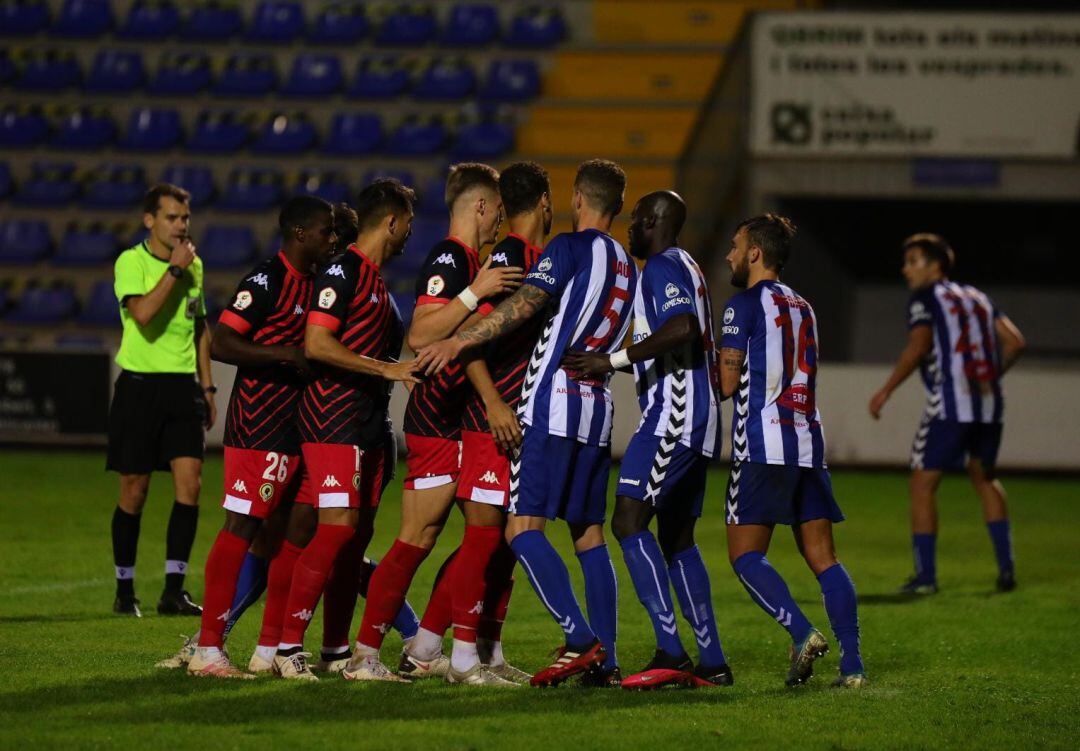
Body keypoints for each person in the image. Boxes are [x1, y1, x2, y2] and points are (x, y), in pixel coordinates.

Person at [416, 159, 636, 688]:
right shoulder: (629, 265)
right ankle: (605, 660)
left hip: (551, 403)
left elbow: (523, 304)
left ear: (578, 199)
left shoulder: (564, 248)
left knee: (518, 530)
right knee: (588, 536)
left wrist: (460, 338)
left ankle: (579, 641)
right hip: (598, 409)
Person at [347, 163, 523, 685]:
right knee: (417, 539)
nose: (500, 224)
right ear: (482, 207)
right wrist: (477, 292)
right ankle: (364, 653)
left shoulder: (473, 259)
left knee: (483, 537)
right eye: (497, 212)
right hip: (434, 420)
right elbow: (422, 336)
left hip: (455, 417)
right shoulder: (452, 257)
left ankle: (429, 647)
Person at [563, 191, 731, 690]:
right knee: (677, 540)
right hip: (699, 420)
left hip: (672, 418)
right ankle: (713, 661)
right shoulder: (688, 267)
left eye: (636, 220)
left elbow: (681, 328)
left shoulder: (660, 266)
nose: (630, 228)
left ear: (654, 221)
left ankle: (670, 650)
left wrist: (612, 362)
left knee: (628, 520)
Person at [398, 161, 552, 686]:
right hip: (490, 418)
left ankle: (457, 647)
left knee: (501, 543)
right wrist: (492, 401)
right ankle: (460, 657)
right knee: (483, 537)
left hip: (515, 418)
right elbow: (465, 335)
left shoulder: (529, 259)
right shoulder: (505, 258)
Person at [271, 179, 422, 681]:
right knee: (334, 530)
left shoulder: (376, 281)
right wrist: (386, 369)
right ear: (392, 222)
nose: (408, 237)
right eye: (407, 227)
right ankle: (287, 647)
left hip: (368, 425)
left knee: (354, 541)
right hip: (333, 417)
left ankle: (336, 650)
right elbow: (317, 342)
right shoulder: (344, 270)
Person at [184, 196, 336, 677]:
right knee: (242, 528)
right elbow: (222, 340)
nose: (330, 240)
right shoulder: (265, 280)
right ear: (298, 233)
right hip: (259, 423)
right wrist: (283, 354)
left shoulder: (318, 284)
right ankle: (207, 650)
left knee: (293, 532)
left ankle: (269, 650)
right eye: (324, 232)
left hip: (300, 425)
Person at [717, 214, 866, 689]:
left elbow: (725, 383)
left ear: (755, 253)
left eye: (736, 246)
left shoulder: (742, 305)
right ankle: (853, 667)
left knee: (744, 557)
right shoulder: (804, 306)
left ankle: (801, 632)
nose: (730, 255)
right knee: (825, 559)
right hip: (807, 444)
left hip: (762, 445)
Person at [869, 233, 1026, 594]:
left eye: (913, 261)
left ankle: (926, 578)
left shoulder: (926, 297)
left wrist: (886, 390)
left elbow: (919, 344)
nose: (905, 269)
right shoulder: (978, 297)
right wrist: (991, 375)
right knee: (985, 478)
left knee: (922, 484)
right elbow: (1016, 341)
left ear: (935, 265)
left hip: (951, 405)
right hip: (989, 404)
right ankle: (1006, 570)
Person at [108, 183, 214, 618]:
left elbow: (200, 327)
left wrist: (207, 388)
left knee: (190, 486)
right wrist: (172, 270)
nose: (180, 225)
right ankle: (124, 589)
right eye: (171, 217)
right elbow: (143, 316)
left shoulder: (195, 266)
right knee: (135, 490)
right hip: (139, 387)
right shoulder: (132, 262)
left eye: (184, 218)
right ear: (149, 220)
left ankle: (173, 589)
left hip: (181, 388)